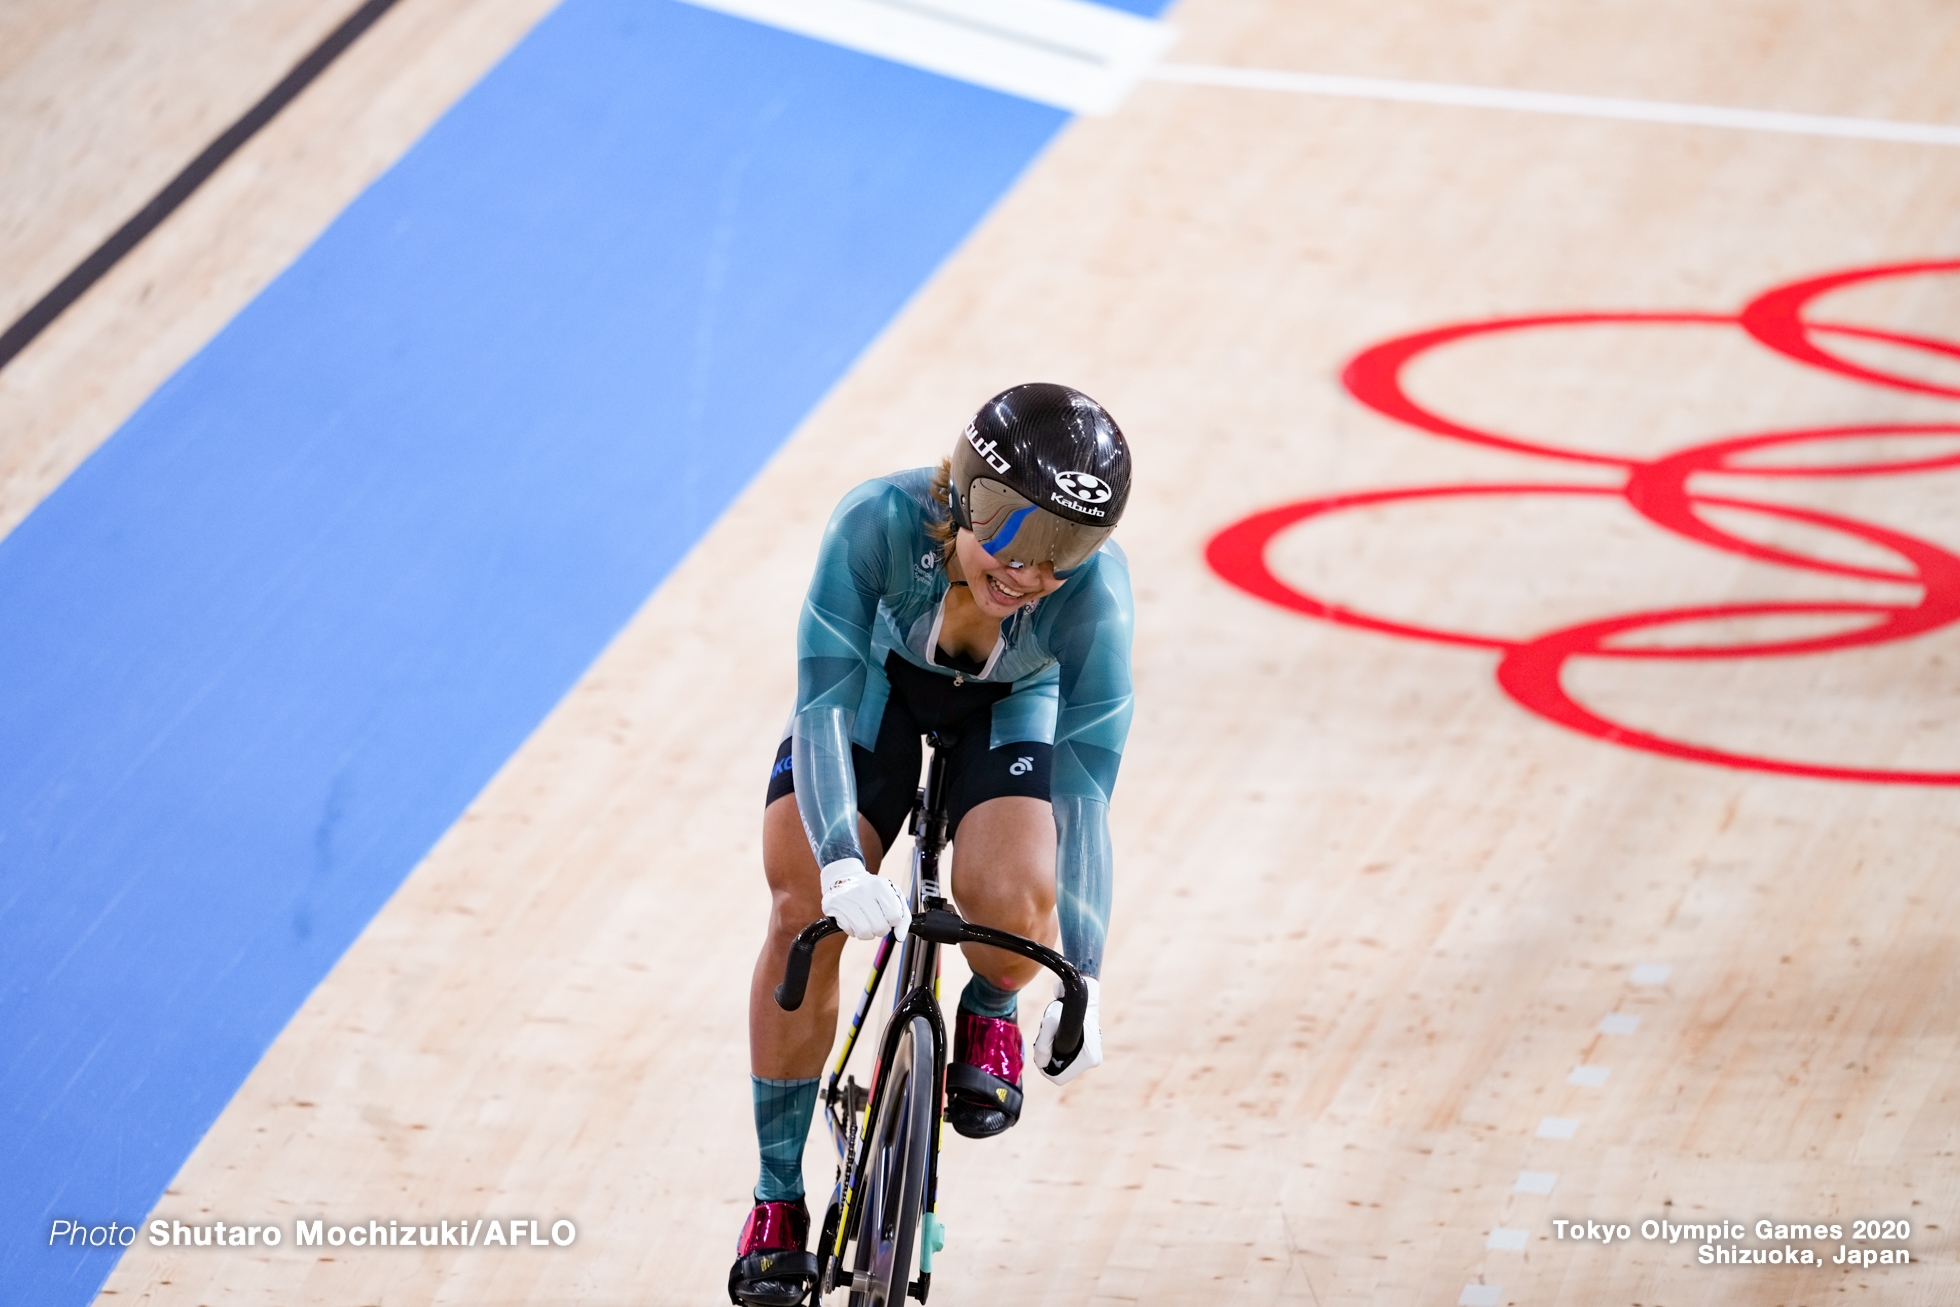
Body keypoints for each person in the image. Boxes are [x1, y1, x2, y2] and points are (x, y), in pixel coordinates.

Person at [728, 383, 1136, 1306]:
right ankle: (777, 1195)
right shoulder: (876, 522)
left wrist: (1089, 978)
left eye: (1064, 552)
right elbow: (823, 707)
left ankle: (986, 1001)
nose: (1031, 574)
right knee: (800, 908)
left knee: (1018, 899)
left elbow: (1083, 802)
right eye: (1015, 537)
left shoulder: (1095, 605)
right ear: (963, 495)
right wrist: (839, 857)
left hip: (1009, 709)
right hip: (873, 688)